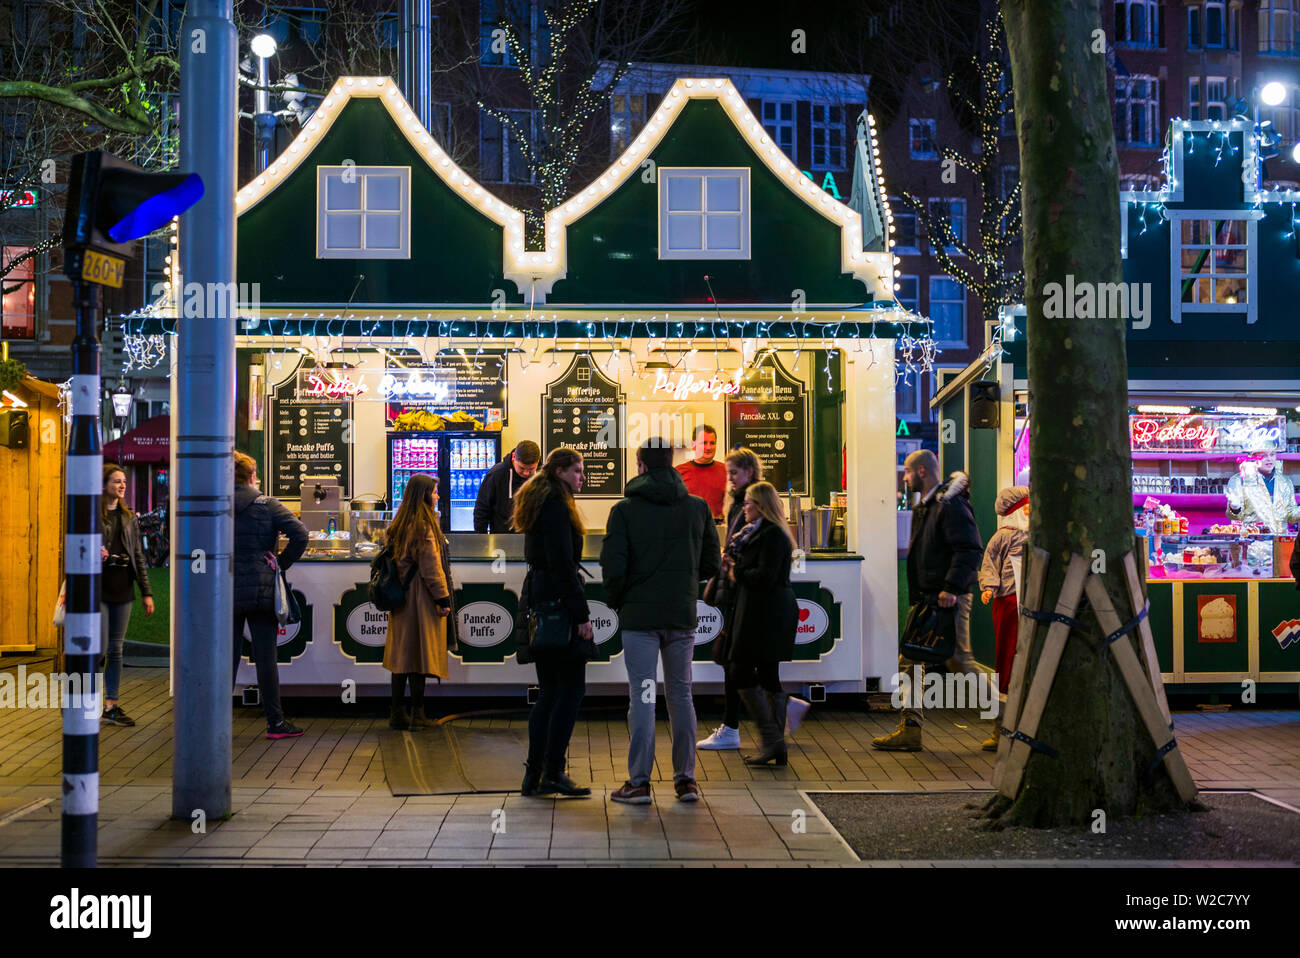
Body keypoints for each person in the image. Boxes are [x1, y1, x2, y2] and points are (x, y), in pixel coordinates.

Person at [601, 438, 720, 804]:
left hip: (640, 618)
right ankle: (686, 781)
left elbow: (614, 567)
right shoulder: (697, 508)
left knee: (644, 695)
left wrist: (621, 600)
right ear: (671, 464)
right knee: (682, 694)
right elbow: (712, 564)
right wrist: (683, 584)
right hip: (681, 615)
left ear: (640, 466)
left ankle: (638, 782)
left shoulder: (624, 511)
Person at [874, 449, 982, 752]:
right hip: (928, 598)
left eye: (907, 472)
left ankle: (1007, 722)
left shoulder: (949, 504)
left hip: (947, 598)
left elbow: (970, 549)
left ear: (921, 471)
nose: (905, 479)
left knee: (958, 661)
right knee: (909, 658)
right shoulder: (931, 505)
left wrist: (951, 587)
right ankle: (910, 727)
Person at [513, 448, 595, 798]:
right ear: (560, 471)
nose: (582, 477)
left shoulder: (539, 500)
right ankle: (553, 771)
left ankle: (534, 774)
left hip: (539, 598)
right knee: (571, 689)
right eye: (577, 470)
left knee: (549, 691)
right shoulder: (558, 507)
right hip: (558, 605)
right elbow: (564, 566)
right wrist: (581, 616)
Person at [717, 481, 800, 765]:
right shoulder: (754, 533)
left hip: (767, 614)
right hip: (757, 610)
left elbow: (764, 576)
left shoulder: (773, 534)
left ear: (761, 506)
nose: (745, 508)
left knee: (741, 668)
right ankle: (775, 742)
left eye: (750, 503)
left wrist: (735, 571)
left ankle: (773, 739)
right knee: (766, 673)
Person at [232, 451, 309, 739]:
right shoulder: (267, 505)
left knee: (227, 658)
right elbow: (300, 533)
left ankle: (215, 720)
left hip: (226, 588)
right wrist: (280, 562)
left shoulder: (219, 503)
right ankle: (275, 722)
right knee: (266, 658)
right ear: (252, 476)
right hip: (261, 590)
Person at [382, 472, 459, 730]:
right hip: (420, 598)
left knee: (401, 657)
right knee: (419, 657)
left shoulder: (401, 522)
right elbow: (431, 569)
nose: (438, 496)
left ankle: (396, 713)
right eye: (435, 492)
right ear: (425, 495)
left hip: (401, 598)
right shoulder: (424, 526)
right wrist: (443, 598)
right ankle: (418, 715)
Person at [698, 447, 760, 750]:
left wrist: (732, 567)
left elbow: (752, 552)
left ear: (749, 471)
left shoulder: (750, 504)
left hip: (746, 597)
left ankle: (737, 726)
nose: (730, 479)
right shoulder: (738, 503)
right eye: (728, 474)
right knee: (743, 664)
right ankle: (772, 720)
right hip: (739, 594)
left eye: (734, 473)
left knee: (737, 663)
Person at [98, 463, 155, 727]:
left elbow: (138, 557)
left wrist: (146, 592)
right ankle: (81, 699)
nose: (122, 486)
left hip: (122, 587)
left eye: (123, 482)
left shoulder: (128, 516)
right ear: (103, 484)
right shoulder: (91, 515)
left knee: (115, 649)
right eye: (116, 481)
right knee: (96, 648)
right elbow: (76, 547)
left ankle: (112, 705)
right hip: (97, 587)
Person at [978, 485, 1030, 751]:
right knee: (1006, 658)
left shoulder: (1034, 536)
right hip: (1009, 603)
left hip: (1029, 603)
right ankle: (1002, 726)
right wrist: (989, 587)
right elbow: (989, 564)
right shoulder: (1002, 538)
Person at [1226, 447, 1300, 534]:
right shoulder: (1239, 480)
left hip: (1280, 542)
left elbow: (1291, 515)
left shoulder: (1285, 481)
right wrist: (1235, 508)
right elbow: (1235, 517)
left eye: (1272, 454)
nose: (1269, 459)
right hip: (1253, 542)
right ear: (1252, 458)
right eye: (1264, 456)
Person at [473, 440, 541, 533]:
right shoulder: (496, 474)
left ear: (537, 462)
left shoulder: (543, 477)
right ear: (514, 457)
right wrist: (482, 539)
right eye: (521, 468)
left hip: (535, 538)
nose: (526, 473)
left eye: (531, 469)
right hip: (502, 539)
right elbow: (482, 509)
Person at [675, 424, 727, 520]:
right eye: (704, 443)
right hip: (687, 530)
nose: (708, 447)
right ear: (693, 445)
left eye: (712, 443)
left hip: (718, 531)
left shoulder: (727, 471)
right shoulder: (678, 472)